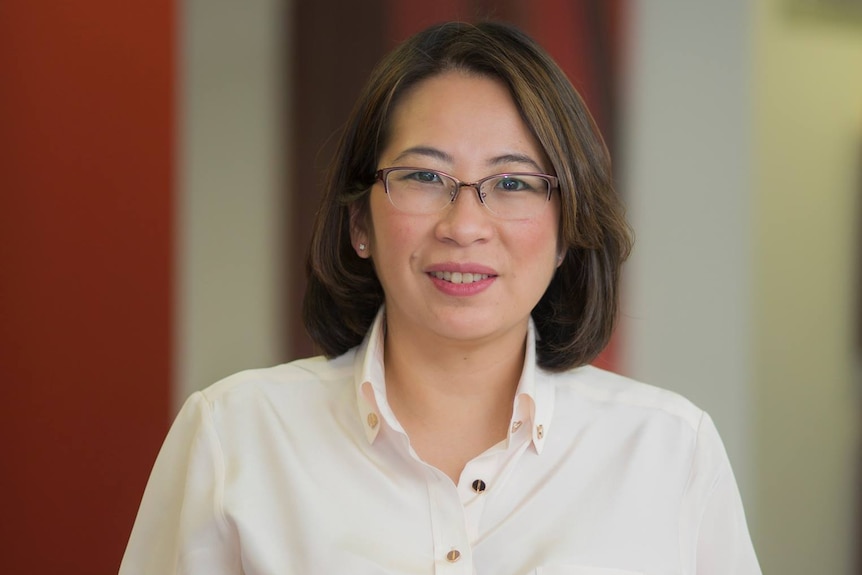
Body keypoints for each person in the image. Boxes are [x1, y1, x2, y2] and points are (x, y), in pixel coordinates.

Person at [120, 21, 761, 575]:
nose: (464, 225)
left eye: (512, 182)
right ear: (359, 223)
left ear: (567, 231)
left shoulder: (667, 449)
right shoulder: (236, 435)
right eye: (425, 177)